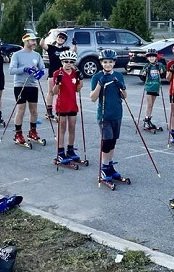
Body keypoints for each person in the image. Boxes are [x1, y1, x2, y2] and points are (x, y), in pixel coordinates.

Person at [90, 49, 127, 183]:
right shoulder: (97, 77)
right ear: (101, 63)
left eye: (110, 62)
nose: (107, 65)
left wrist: (120, 86)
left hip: (117, 114)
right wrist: (100, 84)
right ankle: (104, 167)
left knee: (113, 141)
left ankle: (109, 165)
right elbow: (93, 98)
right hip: (104, 115)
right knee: (107, 141)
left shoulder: (118, 75)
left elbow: (124, 96)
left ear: (114, 63)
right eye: (105, 62)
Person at [9, 33, 46, 145]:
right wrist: (24, 69)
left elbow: (43, 68)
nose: (35, 42)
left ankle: (32, 131)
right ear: (26, 41)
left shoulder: (37, 55)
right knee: (21, 109)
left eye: (35, 40)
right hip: (20, 85)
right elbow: (11, 70)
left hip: (33, 85)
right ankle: (18, 134)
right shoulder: (17, 55)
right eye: (32, 40)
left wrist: (40, 73)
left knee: (34, 110)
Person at [52, 50, 83, 163]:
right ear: (62, 62)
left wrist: (81, 78)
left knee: (72, 128)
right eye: (66, 61)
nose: (68, 64)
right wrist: (57, 83)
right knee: (62, 128)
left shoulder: (75, 72)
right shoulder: (57, 73)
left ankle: (70, 149)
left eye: (71, 62)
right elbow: (54, 92)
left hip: (72, 105)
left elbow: (78, 89)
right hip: (62, 105)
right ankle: (60, 151)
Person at [41, 32, 76, 121]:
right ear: (56, 38)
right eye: (59, 37)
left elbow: (73, 51)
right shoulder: (51, 48)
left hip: (62, 73)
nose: (61, 39)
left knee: (63, 92)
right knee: (51, 92)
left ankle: (63, 109)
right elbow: (42, 44)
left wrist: (75, 44)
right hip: (52, 72)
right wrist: (43, 37)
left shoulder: (65, 49)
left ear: (64, 41)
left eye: (63, 38)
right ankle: (49, 112)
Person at [140, 48, 167, 132]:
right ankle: (146, 120)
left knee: (152, 105)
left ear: (156, 57)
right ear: (147, 58)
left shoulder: (159, 65)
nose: (151, 58)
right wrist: (145, 72)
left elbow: (163, 75)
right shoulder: (147, 66)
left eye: (153, 57)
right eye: (149, 57)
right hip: (149, 87)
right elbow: (143, 76)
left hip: (156, 87)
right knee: (149, 104)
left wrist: (161, 70)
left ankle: (148, 119)